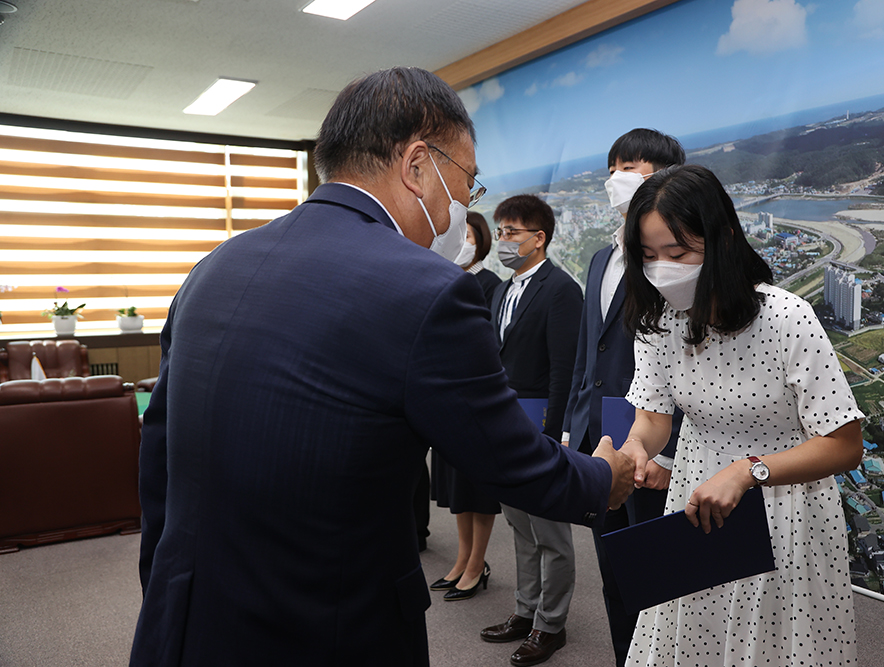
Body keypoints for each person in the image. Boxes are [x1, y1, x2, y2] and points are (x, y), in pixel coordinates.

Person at [129, 67, 641, 667]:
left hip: (188, 616)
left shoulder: (215, 265)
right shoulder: (425, 289)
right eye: (467, 183)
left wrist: (164, 590)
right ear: (418, 163)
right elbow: (508, 459)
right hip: (329, 628)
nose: (465, 207)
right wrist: (603, 477)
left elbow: (159, 458)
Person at [616, 164, 864, 666]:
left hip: (785, 508)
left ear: (723, 238)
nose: (662, 269)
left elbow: (845, 444)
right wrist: (633, 451)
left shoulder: (786, 317)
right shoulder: (661, 323)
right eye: (649, 256)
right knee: (693, 638)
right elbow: (653, 418)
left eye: (678, 252)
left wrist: (750, 470)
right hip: (695, 498)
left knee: (774, 646)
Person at [560, 128, 686, 667]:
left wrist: (667, 453)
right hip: (600, 441)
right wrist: (572, 427)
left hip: (655, 449)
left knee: (665, 580)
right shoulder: (598, 259)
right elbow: (588, 353)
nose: (620, 178)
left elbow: (693, 360)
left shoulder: (677, 261)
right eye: (615, 167)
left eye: (634, 167)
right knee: (614, 572)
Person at [480, 195, 583, 666]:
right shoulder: (503, 290)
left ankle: (551, 625)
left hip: (540, 423)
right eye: (500, 232)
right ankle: (525, 612)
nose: (503, 240)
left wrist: (557, 431)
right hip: (505, 421)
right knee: (519, 524)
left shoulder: (561, 289)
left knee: (550, 532)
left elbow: (565, 368)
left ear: (539, 238)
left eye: (512, 232)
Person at [428, 211, 502, 601]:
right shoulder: (445, 279)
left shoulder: (490, 284)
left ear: (481, 241)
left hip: (475, 398)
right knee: (456, 488)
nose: (463, 240)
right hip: (447, 397)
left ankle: (477, 564)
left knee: (477, 487)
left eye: (470, 234)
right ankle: (461, 559)